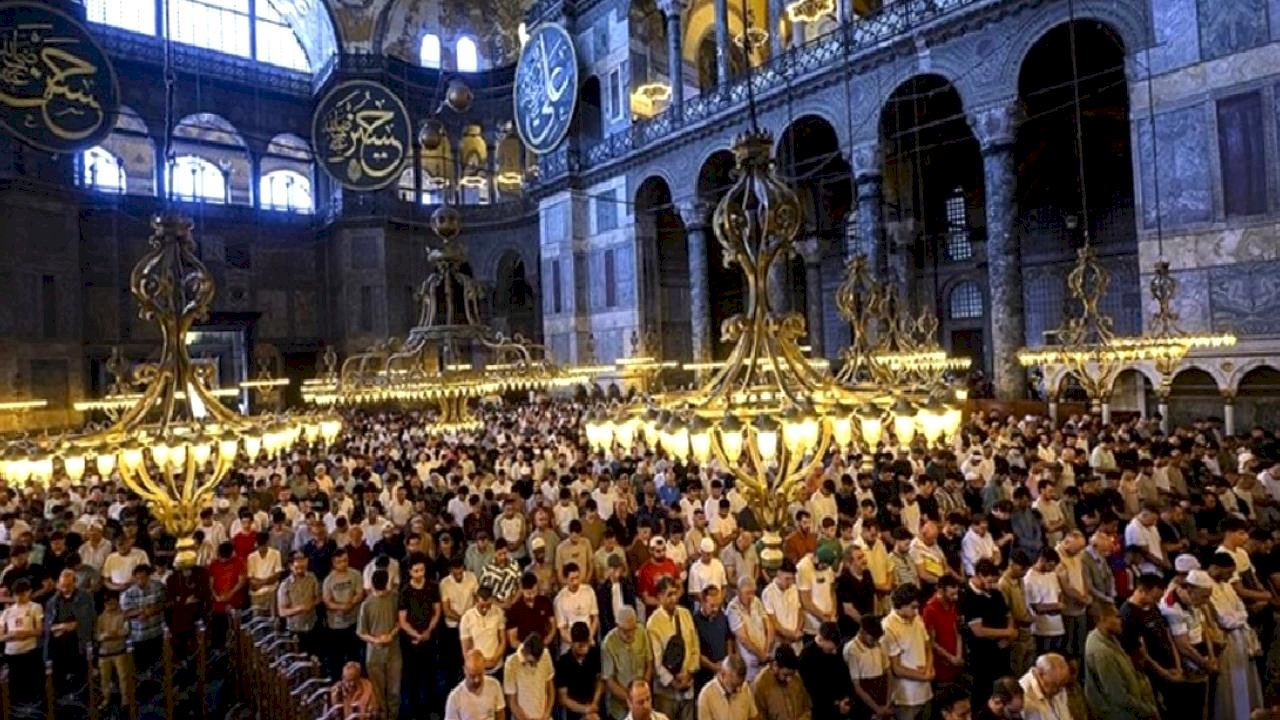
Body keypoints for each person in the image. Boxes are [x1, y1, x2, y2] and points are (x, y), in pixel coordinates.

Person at [1206, 552, 1264, 720]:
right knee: (1231, 685)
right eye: (1228, 572)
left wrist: (1238, 617)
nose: (1231, 576)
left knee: (1246, 681)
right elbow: (1223, 619)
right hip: (1227, 641)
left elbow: (1242, 609)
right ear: (1216, 568)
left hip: (1241, 638)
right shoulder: (1206, 586)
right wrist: (1238, 618)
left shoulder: (1227, 585)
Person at [1082, 601, 1158, 719]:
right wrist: (1150, 710)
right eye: (1117, 617)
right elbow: (1118, 697)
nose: (1121, 621)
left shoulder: (1109, 638)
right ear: (1103, 619)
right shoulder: (1102, 652)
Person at [648, 576, 699, 720]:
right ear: (659, 597)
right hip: (667, 692)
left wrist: (689, 673)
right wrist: (674, 683)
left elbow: (695, 646)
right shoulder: (653, 623)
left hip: (688, 685)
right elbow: (657, 662)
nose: (674, 598)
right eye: (669, 594)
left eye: (675, 593)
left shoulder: (685, 614)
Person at [882, 584, 933, 720]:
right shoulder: (889, 626)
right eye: (913, 607)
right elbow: (896, 668)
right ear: (901, 605)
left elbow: (927, 646)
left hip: (925, 691)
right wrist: (924, 676)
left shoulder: (917, 618)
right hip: (906, 697)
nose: (916, 611)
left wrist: (929, 668)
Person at [400, 551, 442, 716]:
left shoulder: (432, 586)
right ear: (410, 571)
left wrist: (428, 631)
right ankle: (415, 709)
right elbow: (402, 620)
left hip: (429, 637)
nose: (419, 574)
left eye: (422, 570)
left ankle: (432, 706)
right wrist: (416, 635)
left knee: (431, 674)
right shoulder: (405, 591)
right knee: (413, 677)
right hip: (411, 641)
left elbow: (437, 611)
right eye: (416, 571)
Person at [357, 568, 402, 716]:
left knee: (394, 690)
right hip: (374, 655)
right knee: (378, 691)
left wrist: (391, 634)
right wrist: (376, 639)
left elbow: (400, 621)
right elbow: (361, 632)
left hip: (393, 652)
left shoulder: (395, 598)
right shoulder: (367, 605)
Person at [43, 569, 94, 695]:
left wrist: (64, 627)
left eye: (68, 585)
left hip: (78, 643)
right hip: (58, 646)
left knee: (80, 678)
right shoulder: (52, 601)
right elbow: (49, 626)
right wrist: (63, 626)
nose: (65, 589)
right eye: (63, 585)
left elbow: (83, 621)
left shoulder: (84, 597)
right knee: (58, 679)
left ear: (75, 583)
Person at [602, 607, 652, 720]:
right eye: (625, 630)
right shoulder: (608, 644)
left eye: (632, 629)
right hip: (620, 708)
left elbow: (649, 663)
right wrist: (632, 700)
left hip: (642, 702)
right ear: (617, 626)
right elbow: (609, 680)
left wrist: (642, 692)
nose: (629, 634)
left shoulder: (642, 632)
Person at [799, 620, 854, 720]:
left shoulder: (833, 652)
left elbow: (843, 674)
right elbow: (813, 691)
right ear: (821, 639)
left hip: (841, 705)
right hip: (823, 711)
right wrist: (836, 706)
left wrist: (846, 697)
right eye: (830, 649)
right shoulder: (806, 658)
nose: (834, 651)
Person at [2, 578, 43, 702]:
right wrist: (12, 635)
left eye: (22, 594)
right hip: (11, 653)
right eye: (16, 594)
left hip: (29, 651)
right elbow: (1, 635)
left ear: (29, 592)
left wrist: (25, 633)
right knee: (15, 687)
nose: (19, 597)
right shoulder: (7, 612)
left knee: (30, 685)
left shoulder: (35, 607)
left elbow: (39, 630)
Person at [120, 564, 165, 670]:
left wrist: (152, 610)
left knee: (158, 663)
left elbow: (164, 603)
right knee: (141, 666)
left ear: (149, 576)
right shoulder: (128, 593)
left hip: (156, 632)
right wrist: (141, 612)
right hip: (138, 635)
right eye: (138, 578)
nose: (141, 581)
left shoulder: (158, 587)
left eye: (143, 578)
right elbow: (125, 613)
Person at [844, 617, 891, 720]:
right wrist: (877, 709)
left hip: (882, 697)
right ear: (862, 632)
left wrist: (887, 703)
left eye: (877, 639)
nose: (875, 642)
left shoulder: (880, 645)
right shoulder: (852, 649)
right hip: (864, 703)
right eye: (872, 638)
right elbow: (857, 686)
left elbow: (888, 675)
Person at [726, 575, 771, 682]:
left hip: (764, 655)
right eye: (747, 593)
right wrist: (760, 654)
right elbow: (743, 638)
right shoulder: (733, 608)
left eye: (753, 592)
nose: (751, 596)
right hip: (748, 661)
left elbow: (768, 626)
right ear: (738, 592)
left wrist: (767, 650)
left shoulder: (756, 601)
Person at [557, 621, 604, 720]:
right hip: (575, 711)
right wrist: (584, 710)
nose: (584, 648)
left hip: (594, 706)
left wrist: (594, 704)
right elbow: (563, 699)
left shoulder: (594, 654)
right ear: (572, 643)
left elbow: (600, 681)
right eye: (580, 645)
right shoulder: (563, 662)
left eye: (586, 643)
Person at [921, 575, 963, 684]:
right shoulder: (930, 610)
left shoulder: (952, 604)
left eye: (956, 593)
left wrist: (958, 655)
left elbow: (957, 631)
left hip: (955, 661)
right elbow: (931, 642)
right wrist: (950, 658)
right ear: (941, 590)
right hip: (941, 665)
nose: (955, 597)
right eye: (952, 594)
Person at [277, 551, 320, 656]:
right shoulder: (285, 585)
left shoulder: (312, 578)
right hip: (295, 630)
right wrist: (300, 608)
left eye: (303, 566)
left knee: (313, 658)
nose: (301, 570)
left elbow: (318, 597)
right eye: (297, 567)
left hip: (311, 626)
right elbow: (282, 612)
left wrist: (313, 604)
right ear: (291, 566)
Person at [504, 633, 555, 720]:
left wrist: (546, 714)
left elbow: (550, 689)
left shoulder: (545, 655)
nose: (535, 665)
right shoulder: (511, 663)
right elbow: (511, 701)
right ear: (525, 651)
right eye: (532, 662)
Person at [96, 590, 133, 709]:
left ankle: (125, 700)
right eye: (107, 603)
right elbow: (96, 635)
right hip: (104, 653)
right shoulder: (100, 618)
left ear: (117, 602)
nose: (109, 605)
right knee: (104, 679)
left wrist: (114, 634)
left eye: (112, 602)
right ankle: (106, 699)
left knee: (123, 677)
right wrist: (104, 636)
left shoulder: (123, 615)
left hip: (119, 651)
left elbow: (126, 630)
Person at [1024, 547, 1064, 656]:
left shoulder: (1052, 574)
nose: (1052, 569)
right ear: (1042, 560)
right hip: (1042, 628)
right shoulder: (1029, 579)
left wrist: (1059, 604)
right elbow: (1035, 606)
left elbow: (1059, 593)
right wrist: (1056, 606)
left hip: (1057, 626)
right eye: (1050, 565)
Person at [446, 649, 508, 720]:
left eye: (480, 674)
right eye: (472, 676)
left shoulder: (494, 684)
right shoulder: (455, 697)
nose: (477, 680)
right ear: (465, 670)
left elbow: (500, 713)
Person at [460, 585, 507, 675]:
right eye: (482, 606)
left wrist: (495, 659)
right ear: (476, 601)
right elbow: (466, 649)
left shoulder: (498, 612)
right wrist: (479, 664)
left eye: (488, 605)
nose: (485, 608)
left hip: (497, 666)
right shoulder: (467, 618)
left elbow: (502, 640)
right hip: (478, 669)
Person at [695, 653, 758, 720]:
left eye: (740, 684)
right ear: (723, 674)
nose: (739, 689)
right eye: (734, 685)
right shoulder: (706, 695)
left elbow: (753, 717)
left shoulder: (744, 687)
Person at [1018, 653, 1074, 720]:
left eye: (1062, 685)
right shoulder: (1024, 695)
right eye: (1055, 685)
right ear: (1040, 674)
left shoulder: (1059, 686)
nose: (1060, 691)